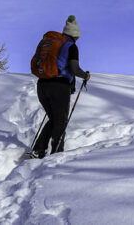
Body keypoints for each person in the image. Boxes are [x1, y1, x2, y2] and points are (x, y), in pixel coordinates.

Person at [32, 15, 90, 158]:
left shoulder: (53, 44)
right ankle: (56, 154)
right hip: (59, 86)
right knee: (61, 121)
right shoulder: (71, 46)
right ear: (74, 35)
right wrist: (85, 75)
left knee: (54, 119)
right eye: (77, 37)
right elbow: (74, 68)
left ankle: (38, 150)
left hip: (42, 85)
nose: (78, 39)